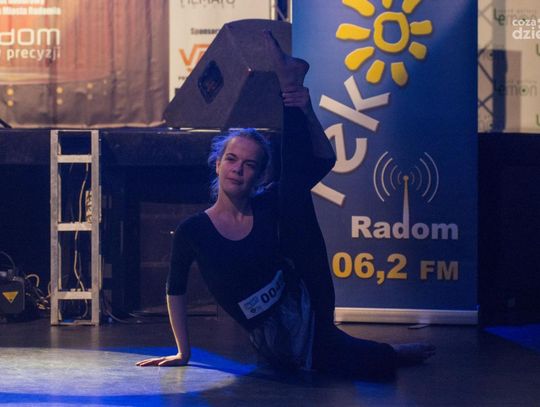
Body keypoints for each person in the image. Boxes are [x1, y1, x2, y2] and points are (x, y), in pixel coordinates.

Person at [137, 31, 435, 379]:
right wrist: (182, 352)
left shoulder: (268, 203)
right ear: (217, 164)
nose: (238, 169)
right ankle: (390, 353)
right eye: (231, 159)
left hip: (306, 300)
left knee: (291, 191)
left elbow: (323, 161)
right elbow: (175, 288)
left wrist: (305, 109)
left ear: (259, 174)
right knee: (347, 354)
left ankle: (289, 86)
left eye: (249, 164)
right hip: (278, 338)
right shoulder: (194, 230)